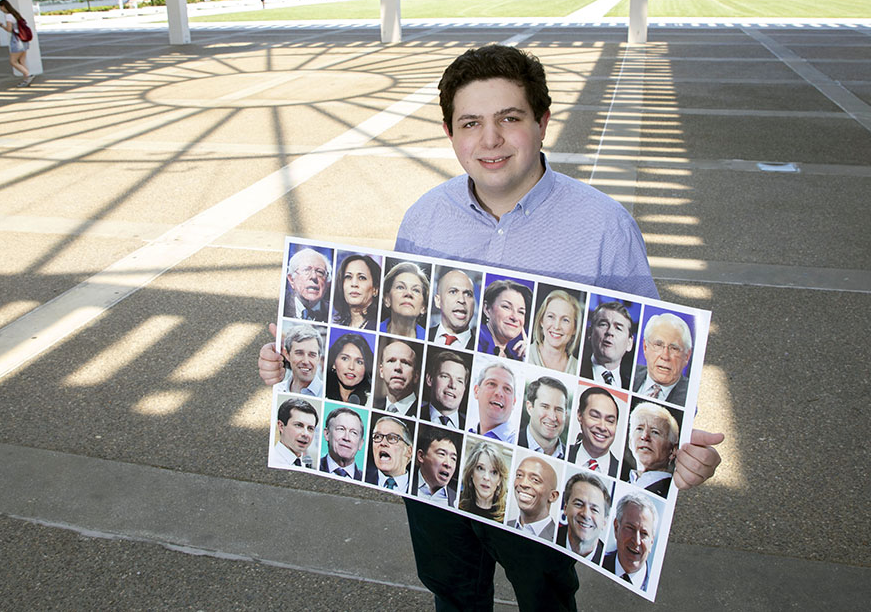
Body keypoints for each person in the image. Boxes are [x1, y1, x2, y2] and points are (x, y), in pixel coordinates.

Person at [259, 44, 723, 611]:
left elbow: (651, 356)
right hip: (436, 461)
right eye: (470, 123)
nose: (490, 140)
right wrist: (295, 368)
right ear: (451, 134)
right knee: (452, 591)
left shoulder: (604, 226)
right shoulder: (425, 217)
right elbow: (396, 339)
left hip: (542, 465)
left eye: (510, 118)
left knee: (546, 597)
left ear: (543, 122)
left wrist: (681, 443)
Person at [621, 401, 680, 497]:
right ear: (630, 442)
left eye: (655, 432)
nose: (645, 436)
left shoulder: (673, 493)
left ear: (673, 450)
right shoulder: (617, 486)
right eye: (639, 429)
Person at [633, 312, 693, 406]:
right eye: (658, 345)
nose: (665, 356)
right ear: (645, 347)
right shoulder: (626, 374)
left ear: (686, 356)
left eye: (674, 348)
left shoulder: (691, 395)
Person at [601, 493, 659, 591]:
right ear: (616, 528)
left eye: (644, 533)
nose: (636, 541)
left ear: (651, 542)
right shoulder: (596, 563)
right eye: (630, 528)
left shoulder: (657, 587)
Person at [555, 472, 612, 562]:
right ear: (565, 508)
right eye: (578, 504)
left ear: (604, 521)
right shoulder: (547, 538)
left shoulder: (608, 563)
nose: (586, 514)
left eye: (594, 509)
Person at [580, 301, 636, 389]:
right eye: (603, 324)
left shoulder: (633, 386)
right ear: (590, 333)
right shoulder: (576, 370)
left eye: (618, 328)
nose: (610, 332)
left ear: (629, 343)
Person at [567, 386, 621, 477]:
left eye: (610, 421)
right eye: (595, 416)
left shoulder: (624, 473)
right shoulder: (563, 453)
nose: (602, 427)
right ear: (580, 415)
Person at [477, 279, 531, 360]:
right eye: (506, 307)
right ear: (487, 309)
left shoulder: (514, 356)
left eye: (521, 312)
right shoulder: (476, 342)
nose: (515, 318)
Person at [529, 289, 582, 373]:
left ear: (575, 328)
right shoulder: (525, 355)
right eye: (551, 316)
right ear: (541, 320)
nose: (557, 326)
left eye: (565, 320)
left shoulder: (578, 369)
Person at [507, 456, 559, 540]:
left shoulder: (559, 539)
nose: (523, 484)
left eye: (535, 480)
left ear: (552, 496)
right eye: (519, 475)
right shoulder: (504, 524)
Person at [458, 439, 510, 522]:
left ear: (499, 480)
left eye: (494, 472)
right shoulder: (456, 503)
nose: (486, 477)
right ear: (471, 472)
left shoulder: (507, 516)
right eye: (480, 468)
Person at [518, 376, 568, 458]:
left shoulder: (571, 457)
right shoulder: (511, 441)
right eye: (545, 407)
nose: (552, 417)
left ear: (565, 414)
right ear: (530, 408)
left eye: (558, 409)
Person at [419, 349, 471, 429]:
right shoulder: (415, 414)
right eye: (445, 376)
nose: (452, 385)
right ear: (430, 379)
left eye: (459, 381)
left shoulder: (470, 427)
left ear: (464, 388)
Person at [468, 361, 517, 443]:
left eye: (507, 389)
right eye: (491, 384)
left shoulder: (515, 441)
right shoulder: (467, 432)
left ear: (513, 403)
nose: (499, 393)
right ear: (476, 391)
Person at [379, 261, 430, 339]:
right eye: (400, 287)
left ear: (423, 307)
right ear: (387, 299)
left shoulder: (429, 338)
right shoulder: (373, 329)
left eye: (416, 290)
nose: (408, 293)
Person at [429, 267, 478, 348]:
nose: (462, 300)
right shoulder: (424, 336)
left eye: (468, 294)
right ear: (438, 301)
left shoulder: (480, 348)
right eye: (453, 292)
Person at [272, 324, 325, 397]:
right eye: (299, 353)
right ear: (287, 355)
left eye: (312, 355)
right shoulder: (276, 390)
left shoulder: (327, 395)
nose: (306, 361)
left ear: (319, 359)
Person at [372, 338, 421, 416]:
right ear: (381, 371)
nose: (398, 367)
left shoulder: (425, 414)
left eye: (405, 362)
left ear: (416, 375)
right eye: (391, 361)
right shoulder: (372, 410)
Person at [332, 253, 381, 330]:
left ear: (375, 289)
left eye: (361, 278)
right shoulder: (340, 326)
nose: (354, 284)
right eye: (348, 277)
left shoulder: (378, 327)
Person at [366, 415, 414, 493]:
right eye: (377, 437)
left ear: (409, 451)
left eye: (392, 438)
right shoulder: (360, 477)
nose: (383, 443)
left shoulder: (421, 489)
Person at [414, 427, 460, 507]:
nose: (448, 464)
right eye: (442, 454)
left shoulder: (458, 499)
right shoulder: (404, 482)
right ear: (421, 456)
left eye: (453, 458)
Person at [283, 246, 331, 321]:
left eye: (320, 272)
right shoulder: (282, 304)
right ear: (291, 279)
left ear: (327, 284)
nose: (314, 276)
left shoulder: (334, 315)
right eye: (306, 270)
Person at [0, 0, 34, 87]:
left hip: (17, 41)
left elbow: (9, 29)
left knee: (13, 61)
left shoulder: (8, 16)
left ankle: (28, 75)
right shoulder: (16, 14)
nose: (0, 9)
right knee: (21, 60)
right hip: (24, 40)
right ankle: (26, 80)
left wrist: (1, 25)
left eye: (0, 7)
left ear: (3, 6)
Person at [324, 333, 373, 405]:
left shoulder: (371, 401)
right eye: (345, 358)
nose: (351, 367)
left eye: (359, 362)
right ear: (334, 363)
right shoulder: (321, 392)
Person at [319, 406, 365, 480]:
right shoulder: (312, 467)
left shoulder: (367, 479)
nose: (346, 438)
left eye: (353, 432)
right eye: (341, 429)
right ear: (327, 434)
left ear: (360, 443)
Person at [271, 398, 318, 469]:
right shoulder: (271, 459)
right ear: (281, 426)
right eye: (299, 425)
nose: (306, 434)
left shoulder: (307, 465)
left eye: (310, 428)